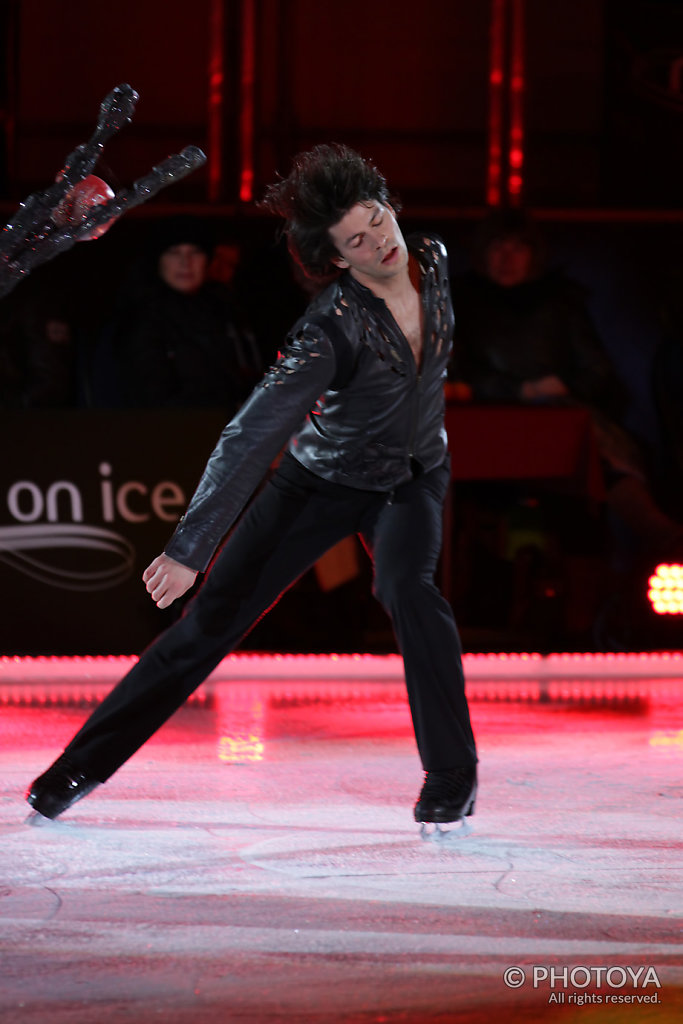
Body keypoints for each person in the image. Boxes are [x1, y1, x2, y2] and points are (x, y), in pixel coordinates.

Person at [26, 144, 478, 832]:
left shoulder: (434, 262)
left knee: (408, 589)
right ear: (334, 260)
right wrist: (190, 549)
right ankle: (76, 769)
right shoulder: (325, 331)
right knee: (208, 624)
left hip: (411, 479)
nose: (379, 242)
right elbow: (249, 436)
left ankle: (451, 775)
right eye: (356, 239)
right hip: (317, 484)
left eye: (378, 220)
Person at [89, 216, 261, 412]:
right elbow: (150, 398)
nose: (185, 262)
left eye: (195, 252)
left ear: (208, 260)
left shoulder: (227, 311)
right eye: (173, 252)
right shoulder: (141, 319)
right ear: (158, 260)